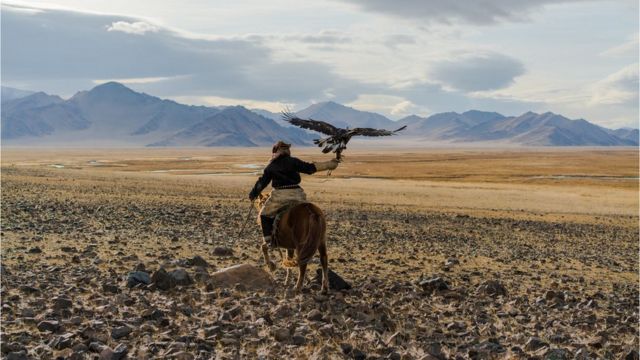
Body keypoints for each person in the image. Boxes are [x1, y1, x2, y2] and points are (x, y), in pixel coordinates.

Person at [249, 140, 339, 246]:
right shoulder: (294, 161)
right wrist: (330, 164)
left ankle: (269, 241)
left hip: (280, 197)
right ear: (287, 151)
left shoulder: (271, 166)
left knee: (264, 214)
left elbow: (262, 183)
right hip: (298, 195)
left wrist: (253, 194)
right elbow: (309, 168)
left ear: (275, 152)